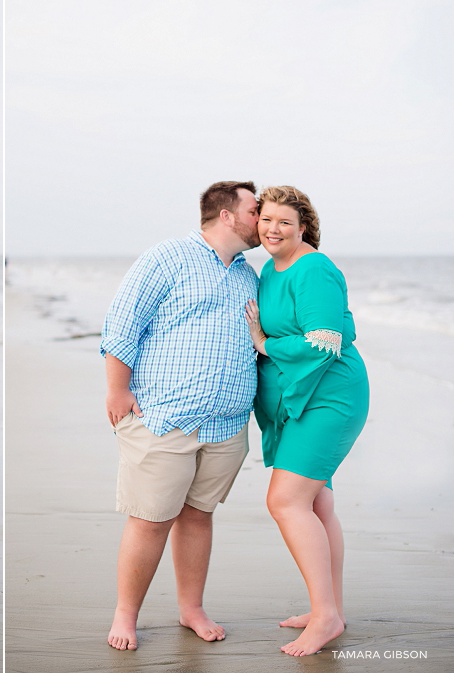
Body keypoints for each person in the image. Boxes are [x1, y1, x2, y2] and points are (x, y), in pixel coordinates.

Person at [101, 181, 261, 651]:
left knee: (198, 516)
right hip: (164, 416)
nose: (264, 219)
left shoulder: (249, 275)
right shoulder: (166, 258)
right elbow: (122, 323)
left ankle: (191, 608)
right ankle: (125, 616)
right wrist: (116, 389)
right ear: (228, 215)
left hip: (227, 423)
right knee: (150, 519)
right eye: (256, 210)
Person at [245, 186, 369, 657]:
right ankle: (328, 608)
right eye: (267, 220)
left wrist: (265, 344)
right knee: (317, 506)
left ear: (303, 228)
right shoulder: (270, 271)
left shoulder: (313, 266)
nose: (273, 229)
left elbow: (326, 342)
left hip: (329, 397)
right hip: (298, 400)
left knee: (285, 501)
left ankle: (326, 617)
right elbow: (344, 324)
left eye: (284, 222)